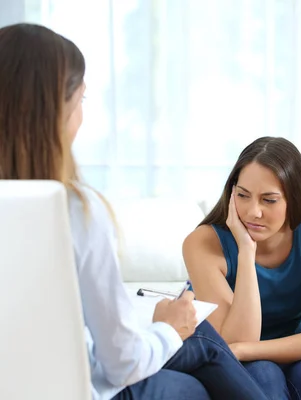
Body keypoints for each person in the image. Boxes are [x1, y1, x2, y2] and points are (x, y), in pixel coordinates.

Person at [0, 23, 270, 400]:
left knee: (201, 347)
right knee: (197, 369)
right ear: (56, 112)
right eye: (81, 99)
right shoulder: (75, 212)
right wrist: (168, 328)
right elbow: (121, 364)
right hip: (78, 388)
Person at [183, 136, 301, 399]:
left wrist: (246, 350)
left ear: (293, 199)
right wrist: (246, 251)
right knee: (264, 374)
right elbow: (235, 339)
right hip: (230, 359)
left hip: (290, 349)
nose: (252, 212)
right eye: (243, 196)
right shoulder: (202, 243)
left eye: (268, 200)